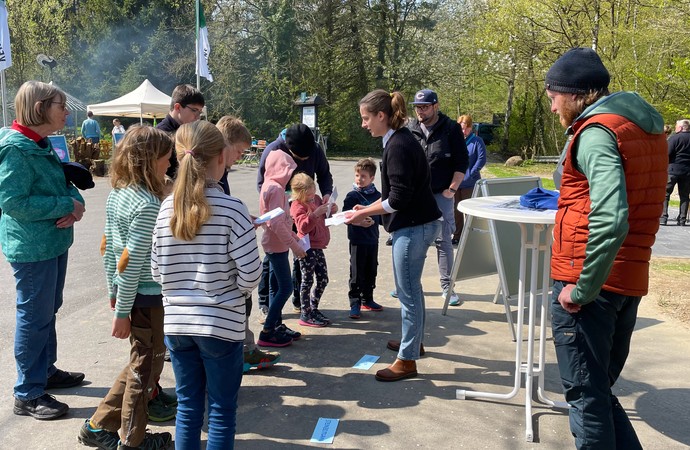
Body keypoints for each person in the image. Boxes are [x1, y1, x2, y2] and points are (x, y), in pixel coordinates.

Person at [545, 47, 667, 449]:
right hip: (627, 280)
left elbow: (612, 216)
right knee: (598, 391)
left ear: (577, 93)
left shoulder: (597, 132)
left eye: (553, 96)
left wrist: (582, 287)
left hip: (589, 287)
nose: (552, 107)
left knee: (586, 398)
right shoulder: (644, 128)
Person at [152, 121, 262, 450]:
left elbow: (158, 272)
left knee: (187, 408)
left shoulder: (165, 210)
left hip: (177, 325)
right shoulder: (231, 209)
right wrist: (234, 290)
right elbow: (252, 274)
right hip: (220, 325)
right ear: (219, 158)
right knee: (221, 410)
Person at [77, 126, 174, 450]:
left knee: (140, 364)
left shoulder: (120, 193)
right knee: (145, 372)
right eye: (166, 157)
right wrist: (121, 311)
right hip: (147, 299)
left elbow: (108, 248)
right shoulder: (147, 205)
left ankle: (98, 426)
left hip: (133, 297)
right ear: (150, 161)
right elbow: (131, 264)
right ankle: (133, 441)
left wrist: (114, 293)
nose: (170, 161)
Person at [0, 81, 86, 420]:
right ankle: (28, 392)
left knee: (48, 309)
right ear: (39, 109)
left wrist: (75, 202)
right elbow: (12, 201)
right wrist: (64, 203)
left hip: (51, 243)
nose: (66, 111)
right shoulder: (15, 148)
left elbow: (63, 181)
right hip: (32, 249)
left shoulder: (39, 142)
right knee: (34, 317)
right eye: (60, 105)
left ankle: (45, 371)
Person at [346, 90, 441, 382]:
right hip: (417, 223)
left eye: (366, 118)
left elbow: (397, 199)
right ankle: (414, 343)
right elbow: (394, 195)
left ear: (381, 116)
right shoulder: (399, 140)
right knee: (413, 290)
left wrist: (365, 213)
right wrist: (368, 208)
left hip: (413, 227)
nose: (364, 124)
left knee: (408, 293)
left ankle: (407, 360)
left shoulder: (398, 145)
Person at [215, 115, 281, 373]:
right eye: (239, 152)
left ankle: (243, 350)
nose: (241, 158)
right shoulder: (216, 171)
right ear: (225, 145)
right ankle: (240, 354)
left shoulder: (223, 171)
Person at [256, 124, 334, 319]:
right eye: (301, 158)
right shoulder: (273, 150)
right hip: (283, 210)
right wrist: (286, 202)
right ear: (290, 150)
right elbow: (262, 184)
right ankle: (267, 301)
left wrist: (325, 194)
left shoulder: (314, 148)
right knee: (274, 260)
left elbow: (325, 174)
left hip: (302, 208)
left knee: (301, 253)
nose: (306, 160)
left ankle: (299, 300)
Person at [407, 89, 468, 307]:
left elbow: (462, 162)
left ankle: (448, 288)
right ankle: (407, 285)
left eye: (425, 107)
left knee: (443, 241)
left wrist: (452, 189)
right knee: (411, 240)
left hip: (441, 194)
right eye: (417, 107)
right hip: (415, 196)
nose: (421, 111)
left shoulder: (450, 128)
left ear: (436, 106)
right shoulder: (410, 128)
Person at [258, 149, 307, 347]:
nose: (289, 175)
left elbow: (278, 221)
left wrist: (295, 236)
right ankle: (268, 330)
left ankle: (276, 325)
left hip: (273, 243)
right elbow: (278, 224)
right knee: (286, 287)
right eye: (288, 170)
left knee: (275, 286)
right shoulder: (277, 189)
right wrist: (295, 246)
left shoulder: (268, 185)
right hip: (277, 246)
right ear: (281, 169)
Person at [290, 173, 336, 327]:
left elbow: (325, 218)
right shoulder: (297, 206)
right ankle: (305, 313)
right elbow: (302, 227)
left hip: (318, 245)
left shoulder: (316, 198)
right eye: (308, 196)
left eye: (313, 193)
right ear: (299, 194)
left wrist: (331, 210)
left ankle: (313, 307)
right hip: (307, 247)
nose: (312, 198)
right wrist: (315, 214)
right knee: (307, 281)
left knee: (323, 279)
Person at [343, 158, 383, 319]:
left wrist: (373, 219)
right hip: (357, 241)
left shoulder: (378, 195)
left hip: (372, 240)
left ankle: (368, 298)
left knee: (371, 269)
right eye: (357, 175)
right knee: (357, 272)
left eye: (364, 176)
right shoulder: (352, 196)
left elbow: (382, 215)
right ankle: (355, 302)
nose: (359, 179)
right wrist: (359, 222)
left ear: (372, 178)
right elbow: (345, 217)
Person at [156, 84, 205, 179]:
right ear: (177, 107)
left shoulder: (189, 132)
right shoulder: (159, 135)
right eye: (194, 110)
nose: (198, 116)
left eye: (200, 112)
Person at [452, 114, 487, 247]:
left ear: (471, 128)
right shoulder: (456, 141)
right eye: (461, 128)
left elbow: (481, 159)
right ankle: (457, 235)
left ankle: (471, 237)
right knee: (456, 210)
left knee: (469, 211)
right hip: (456, 182)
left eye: (466, 129)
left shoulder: (477, 141)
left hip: (470, 183)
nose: (464, 131)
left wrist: (471, 173)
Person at [660, 119, 690, 226]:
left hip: (672, 170)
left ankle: (663, 217)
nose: (675, 128)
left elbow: (667, 153)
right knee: (685, 196)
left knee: (665, 194)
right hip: (687, 171)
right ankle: (682, 219)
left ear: (681, 128)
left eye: (677, 126)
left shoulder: (675, 138)